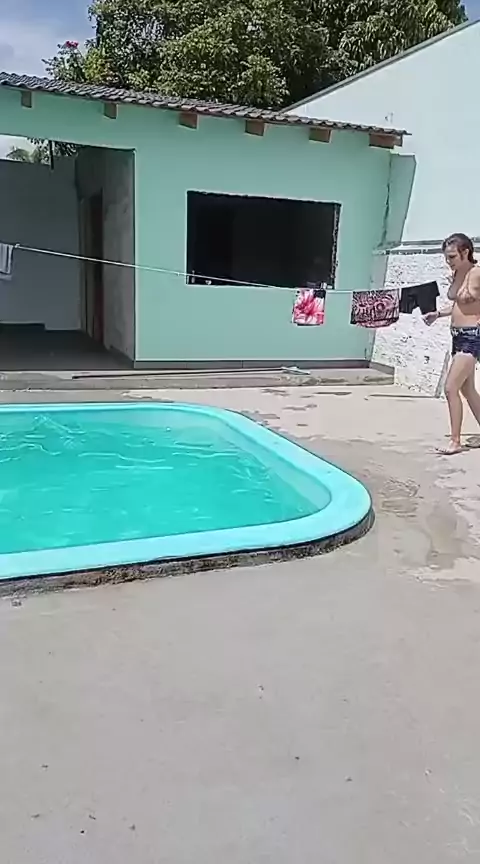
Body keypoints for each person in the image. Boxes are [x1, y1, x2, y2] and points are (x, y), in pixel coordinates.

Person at [423, 233, 480, 454]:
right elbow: (460, 305)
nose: (448, 261)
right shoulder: (456, 274)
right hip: (457, 336)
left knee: (450, 387)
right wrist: (438, 314)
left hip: (472, 336)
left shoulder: (477, 274)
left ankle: (455, 441)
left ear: (466, 252)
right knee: (467, 388)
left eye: (452, 257)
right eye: (446, 257)